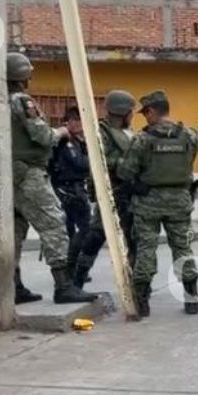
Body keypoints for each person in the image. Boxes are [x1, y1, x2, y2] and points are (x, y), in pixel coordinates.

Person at [6, 52, 96, 305]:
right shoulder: (22, 101)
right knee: (54, 224)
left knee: (15, 231)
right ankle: (64, 286)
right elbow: (43, 136)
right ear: (22, 76)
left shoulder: (0, 99)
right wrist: (62, 132)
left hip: (13, 173)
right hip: (29, 173)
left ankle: (14, 286)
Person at [117, 90, 198, 318]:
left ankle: (142, 302)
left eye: (146, 114)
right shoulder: (190, 135)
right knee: (183, 248)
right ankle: (191, 298)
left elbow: (126, 171)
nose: (145, 118)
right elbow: (189, 162)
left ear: (152, 111)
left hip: (148, 203)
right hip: (179, 202)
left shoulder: (142, 140)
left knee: (146, 248)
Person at [74, 90, 139, 287]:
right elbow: (100, 159)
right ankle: (78, 276)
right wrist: (126, 163)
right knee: (97, 234)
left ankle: (135, 282)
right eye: (130, 111)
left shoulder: (128, 132)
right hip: (112, 191)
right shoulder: (101, 132)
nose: (132, 115)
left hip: (130, 191)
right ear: (123, 112)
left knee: (133, 237)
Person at [48, 107, 94, 288]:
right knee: (78, 230)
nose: (77, 123)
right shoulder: (66, 141)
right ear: (67, 122)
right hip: (67, 191)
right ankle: (70, 268)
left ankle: (71, 267)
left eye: (79, 120)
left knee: (78, 231)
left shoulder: (78, 141)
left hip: (74, 189)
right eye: (73, 120)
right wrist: (95, 161)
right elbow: (79, 164)